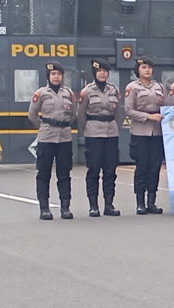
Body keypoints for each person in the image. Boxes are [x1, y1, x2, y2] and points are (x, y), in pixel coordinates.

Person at [28, 61, 77, 220]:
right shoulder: (41, 93)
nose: (56, 77)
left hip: (64, 137)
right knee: (44, 173)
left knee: (64, 173)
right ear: (48, 76)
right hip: (47, 137)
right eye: (53, 74)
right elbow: (32, 115)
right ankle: (44, 208)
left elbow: (73, 114)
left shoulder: (68, 93)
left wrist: (63, 124)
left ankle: (65, 207)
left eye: (59, 74)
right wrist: (44, 126)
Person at [77, 59, 121, 217]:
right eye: (99, 71)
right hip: (93, 133)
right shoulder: (87, 91)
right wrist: (89, 127)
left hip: (111, 133)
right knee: (94, 169)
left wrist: (110, 124)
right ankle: (93, 205)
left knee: (110, 170)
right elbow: (81, 115)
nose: (102, 73)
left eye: (105, 71)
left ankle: (109, 205)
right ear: (94, 73)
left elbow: (117, 113)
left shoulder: (114, 90)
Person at [126, 56, 167, 215]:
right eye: (143, 67)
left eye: (149, 67)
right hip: (140, 132)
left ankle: (151, 201)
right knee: (142, 167)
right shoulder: (133, 87)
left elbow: (165, 107)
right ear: (138, 70)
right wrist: (148, 117)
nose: (147, 70)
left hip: (157, 132)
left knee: (154, 168)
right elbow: (128, 111)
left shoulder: (159, 87)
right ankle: (140, 202)